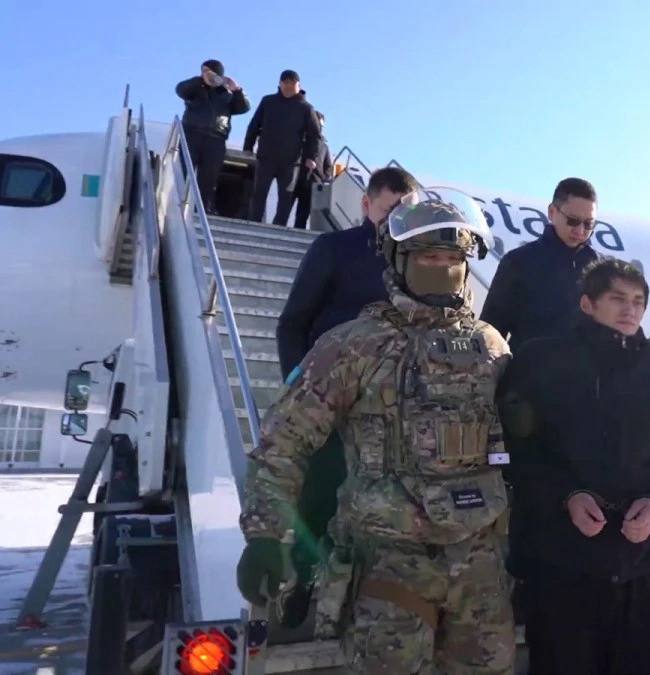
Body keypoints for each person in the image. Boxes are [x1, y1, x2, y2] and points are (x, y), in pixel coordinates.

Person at [238, 191, 514, 672]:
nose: (443, 268)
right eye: (429, 258)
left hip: (478, 565)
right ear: (399, 261)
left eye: (453, 259)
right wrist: (266, 534)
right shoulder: (355, 346)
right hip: (389, 562)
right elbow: (283, 441)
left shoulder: (489, 345)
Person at [499, 258, 650, 675]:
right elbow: (515, 447)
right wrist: (566, 496)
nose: (630, 309)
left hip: (641, 565)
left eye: (638, 301)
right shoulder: (541, 363)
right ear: (587, 303)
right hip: (561, 561)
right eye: (617, 298)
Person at [272, 166, 418, 624]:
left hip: (392, 406)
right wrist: (298, 385)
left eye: (404, 212)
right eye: (388, 210)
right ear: (366, 204)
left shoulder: (417, 260)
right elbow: (292, 322)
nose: (395, 220)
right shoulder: (334, 249)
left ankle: (365, 594)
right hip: (332, 399)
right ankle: (302, 584)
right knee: (320, 497)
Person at [480, 177, 601, 351]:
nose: (580, 230)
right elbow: (490, 333)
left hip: (583, 368)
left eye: (588, 224)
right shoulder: (518, 262)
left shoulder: (601, 270)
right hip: (527, 367)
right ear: (552, 212)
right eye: (573, 221)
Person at [244, 69, 320, 225]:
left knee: (286, 196)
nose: (288, 86)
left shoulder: (306, 108)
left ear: (299, 86)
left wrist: (311, 157)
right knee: (259, 192)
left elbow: (314, 135)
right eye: (285, 83)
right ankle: (253, 223)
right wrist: (248, 146)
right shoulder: (268, 102)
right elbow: (254, 125)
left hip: (291, 161)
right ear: (279, 84)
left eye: (292, 83)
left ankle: (279, 226)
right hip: (266, 157)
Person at [175, 59, 249, 212]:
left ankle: (203, 208)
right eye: (203, 71)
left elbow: (243, 107)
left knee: (209, 177)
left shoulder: (227, 95)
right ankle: (176, 203)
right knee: (183, 170)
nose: (207, 74)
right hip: (192, 134)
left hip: (216, 138)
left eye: (210, 72)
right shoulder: (196, 88)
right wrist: (200, 80)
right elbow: (180, 90)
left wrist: (237, 89)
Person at [293, 110, 334, 229]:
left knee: (303, 213)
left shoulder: (324, 146)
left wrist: (323, 177)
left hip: (313, 183)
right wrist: (303, 162)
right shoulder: (299, 139)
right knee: (285, 207)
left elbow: (328, 166)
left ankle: (298, 231)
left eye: (320, 125)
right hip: (295, 178)